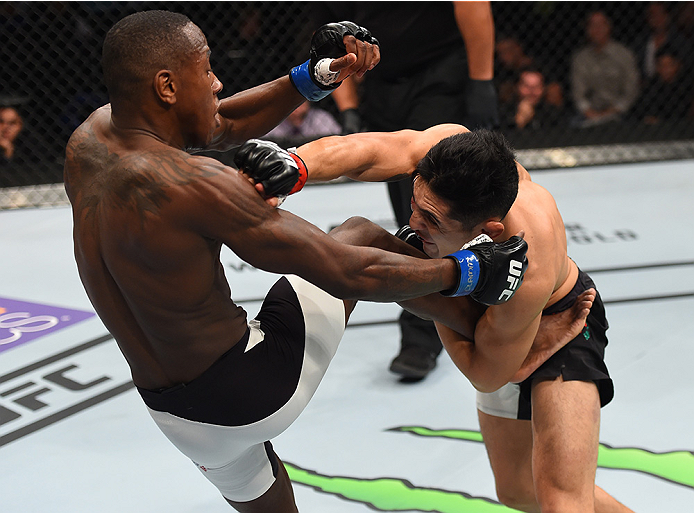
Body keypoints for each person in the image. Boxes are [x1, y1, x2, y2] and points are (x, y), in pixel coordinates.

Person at [64, 11, 527, 513]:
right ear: (168, 86)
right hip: (250, 391)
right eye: (207, 69)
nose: (218, 82)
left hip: (175, 417)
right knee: (359, 234)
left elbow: (222, 124)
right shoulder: (190, 184)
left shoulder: (88, 141)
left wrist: (312, 77)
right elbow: (348, 270)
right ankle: (499, 335)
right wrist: (466, 269)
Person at [252, 124, 633, 512]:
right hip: (495, 327)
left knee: (562, 500)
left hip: (563, 326)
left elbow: (485, 373)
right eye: (416, 205)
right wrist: (298, 163)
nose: (415, 224)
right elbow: (372, 150)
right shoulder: (455, 154)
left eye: (433, 221)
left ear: (488, 231)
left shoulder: (528, 270)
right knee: (517, 490)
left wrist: (428, 286)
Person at [314, 0, 500, 381]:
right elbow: (336, 43)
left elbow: (473, 6)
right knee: (409, 208)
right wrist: (348, 105)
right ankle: (441, 309)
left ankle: (432, 328)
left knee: (433, 190)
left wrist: (482, 81)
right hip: (381, 82)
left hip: (438, 74)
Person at [570, 10, 640, 128]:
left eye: (601, 25)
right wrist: (590, 112)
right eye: (592, 25)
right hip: (589, 114)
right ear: (587, 30)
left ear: (609, 27)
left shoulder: (624, 55)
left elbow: (631, 91)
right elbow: (578, 94)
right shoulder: (580, 58)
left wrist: (613, 111)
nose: (597, 29)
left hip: (620, 113)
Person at [501, 68, 567, 131]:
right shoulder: (505, 111)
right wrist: (518, 122)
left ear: (543, 89)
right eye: (526, 86)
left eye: (537, 87)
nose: (531, 92)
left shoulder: (551, 113)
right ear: (517, 87)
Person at [262, 101, 341, 145]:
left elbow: (337, 141)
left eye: (300, 102)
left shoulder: (320, 117)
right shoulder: (274, 121)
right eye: (291, 103)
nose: (296, 107)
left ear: (308, 101)